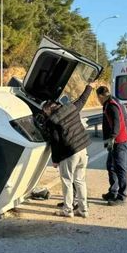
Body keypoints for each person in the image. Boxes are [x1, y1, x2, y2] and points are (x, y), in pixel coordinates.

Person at [43, 82, 96, 218]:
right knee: (80, 181)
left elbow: (55, 142)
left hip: (69, 153)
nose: (45, 115)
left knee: (67, 181)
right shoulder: (71, 108)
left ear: (50, 109)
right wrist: (89, 87)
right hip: (83, 150)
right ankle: (83, 210)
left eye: (45, 112)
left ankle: (68, 210)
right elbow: (82, 100)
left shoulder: (52, 121)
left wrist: (55, 160)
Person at [96, 86, 127, 206]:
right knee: (110, 166)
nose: (98, 100)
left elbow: (117, 122)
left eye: (98, 98)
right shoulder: (108, 103)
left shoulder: (111, 105)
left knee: (120, 168)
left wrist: (112, 137)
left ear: (100, 96)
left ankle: (122, 196)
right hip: (114, 140)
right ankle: (113, 191)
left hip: (119, 141)